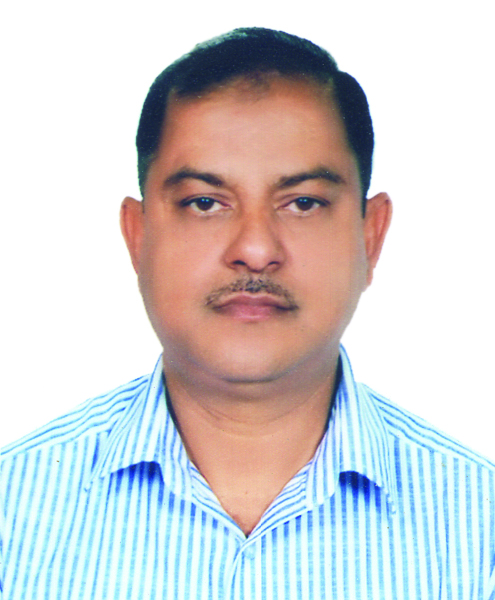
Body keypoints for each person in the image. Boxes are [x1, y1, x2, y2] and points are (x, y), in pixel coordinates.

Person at [1, 27, 494, 600]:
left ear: (371, 236)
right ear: (138, 237)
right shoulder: (13, 514)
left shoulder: (479, 533)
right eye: (205, 203)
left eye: (303, 203)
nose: (256, 249)